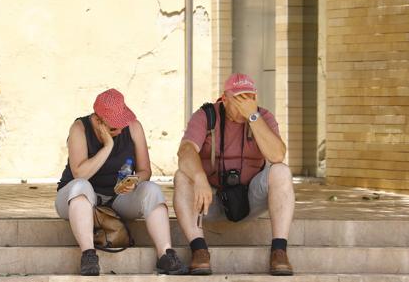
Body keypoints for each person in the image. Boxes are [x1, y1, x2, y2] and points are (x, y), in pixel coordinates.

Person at [56, 88, 188, 276]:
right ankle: (88, 255)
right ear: (98, 120)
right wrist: (108, 145)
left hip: (118, 197)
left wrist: (133, 182)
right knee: (81, 187)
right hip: (77, 199)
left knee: (151, 189)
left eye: (121, 125)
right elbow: (80, 173)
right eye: (113, 127)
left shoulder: (133, 127)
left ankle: (166, 254)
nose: (119, 130)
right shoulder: (79, 128)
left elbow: (145, 171)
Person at [173, 73, 295, 275]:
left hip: (250, 198)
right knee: (182, 176)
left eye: (249, 97)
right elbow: (185, 151)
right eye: (238, 98)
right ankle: (199, 250)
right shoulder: (207, 116)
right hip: (208, 199)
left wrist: (253, 116)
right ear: (224, 98)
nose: (243, 104)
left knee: (281, 171)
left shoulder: (262, 117)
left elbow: (278, 155)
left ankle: (279, 251)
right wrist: (200, 178)